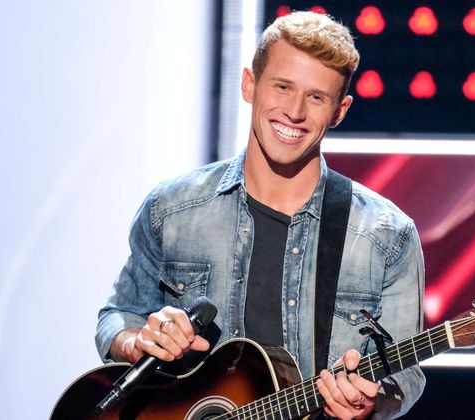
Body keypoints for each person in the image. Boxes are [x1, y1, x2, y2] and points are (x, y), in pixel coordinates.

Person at [95, 11, 425, 419]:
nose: (294, 111)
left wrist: (370, 403)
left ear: (340, 110)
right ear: (249, 84)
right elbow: (117, 317)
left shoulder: (387, 235)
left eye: (316, 97)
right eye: (283, 87)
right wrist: (137, 342)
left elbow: (405, 375)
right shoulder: (171, 208)